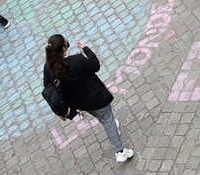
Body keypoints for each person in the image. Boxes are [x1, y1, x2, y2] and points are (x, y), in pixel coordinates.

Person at [43, 34, 134, 162]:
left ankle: (113, 126)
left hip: (79, 104)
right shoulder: (77, 61)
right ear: (64, 48)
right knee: (108, 121)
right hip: (96, 98)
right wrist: (86, 49)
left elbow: (48, 87)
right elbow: (95, 65)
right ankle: (120, 151)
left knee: (105, 118)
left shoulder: (48, 69)